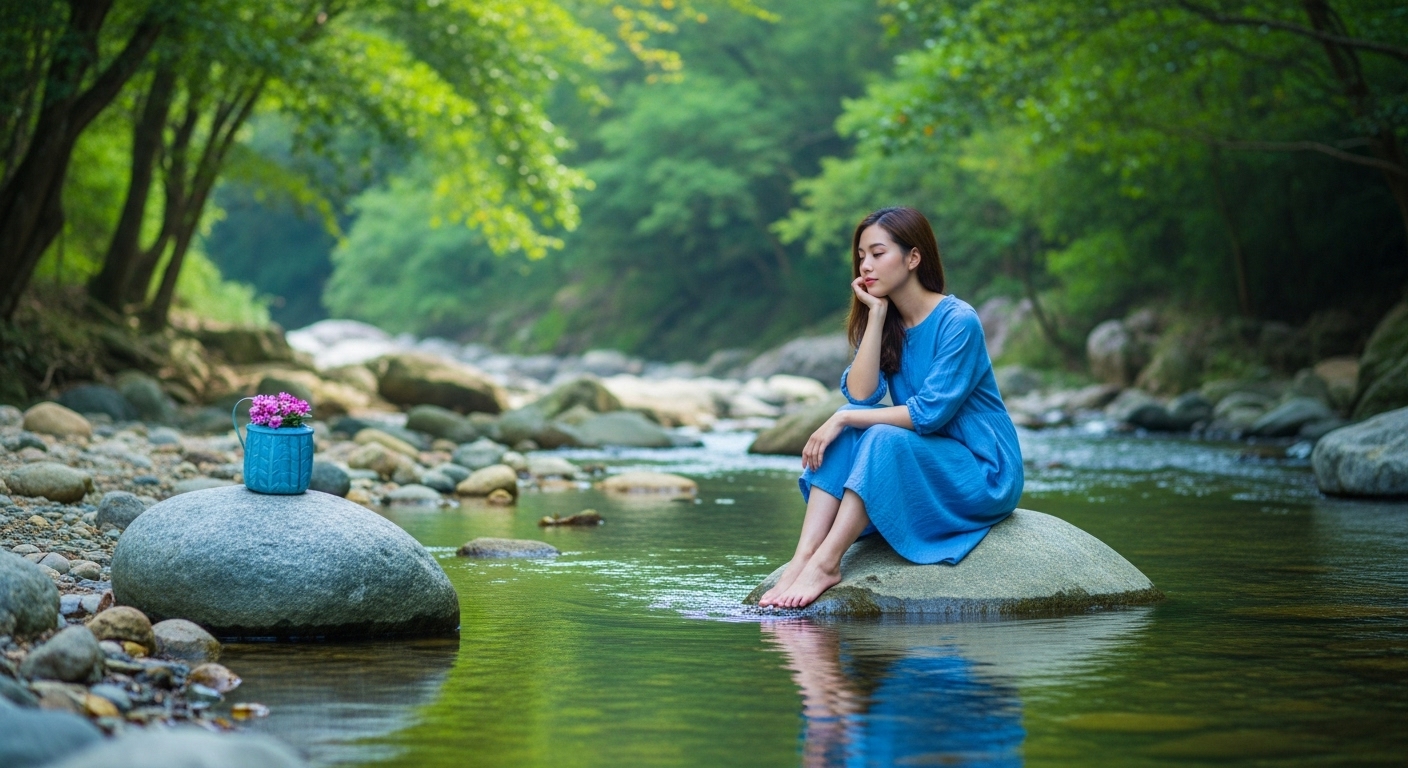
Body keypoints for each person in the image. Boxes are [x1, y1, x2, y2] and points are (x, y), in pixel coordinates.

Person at [758, 207, 1024, 609]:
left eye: (877, 253)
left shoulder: (958, 320)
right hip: (931, 456)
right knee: (851, 434)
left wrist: (843, 416)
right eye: (861, 255)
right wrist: (877, 315)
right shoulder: (890, 321)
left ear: (913, 258)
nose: (865, 265)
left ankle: (829, 562)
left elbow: (929, 414)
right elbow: (861, 395)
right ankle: (804, 557)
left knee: (872, 432)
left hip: (982, 468)